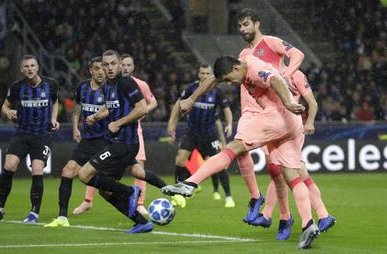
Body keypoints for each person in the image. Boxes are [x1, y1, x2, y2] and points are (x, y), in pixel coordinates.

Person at [162, 55, 320, 249]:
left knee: (233, 148)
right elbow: (213, 78)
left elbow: (276, 80)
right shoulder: (239, 65)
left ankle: (190, 183)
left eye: (229, 79)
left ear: (236, 68)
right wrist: (192, 99)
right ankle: (309, 225)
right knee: (292, 176)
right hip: (293, 124)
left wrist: (287, 102)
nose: (230, 84)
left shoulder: (254, 69)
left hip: (277, 117)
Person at [236, 8, 335, 235]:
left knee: (283, 171)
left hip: (286, 119)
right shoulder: (243, 57)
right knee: (289, 172)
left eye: (246, 24)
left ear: (257, 24)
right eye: (239, 26)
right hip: (267, 116)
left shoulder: (272, 44)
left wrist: (288, 74)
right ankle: (320, 216)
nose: (242, 29)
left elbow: (298, 55)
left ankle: (280, 217)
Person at [76, 49, 164, 233]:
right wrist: (97, 116)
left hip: (124, 143)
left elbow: (142, 109)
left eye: (113, 64)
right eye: (105, 64)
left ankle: (130, 191)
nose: (109, 68)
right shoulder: (109, 86)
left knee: (84, 175)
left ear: (119, 64)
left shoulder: (125, 82)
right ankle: (142, 222)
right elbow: (111, 107)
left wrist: (118, 123)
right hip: (115, 142)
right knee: (106, 190)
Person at [0, 55, 60, 224]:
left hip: (42, 135)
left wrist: (54, 119)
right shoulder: (17, 87)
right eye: (26, 66)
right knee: (9, 166)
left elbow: (55, 102)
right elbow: (4, 106)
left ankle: (34, 213)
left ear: (38, 67)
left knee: (37, 169)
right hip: (22, 134)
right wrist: (8, 112)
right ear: (22, 69)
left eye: (33, 65)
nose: (30, 69)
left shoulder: (50, 84)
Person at [44, 56, 107, 227]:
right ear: (90, 71)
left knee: (107, 188)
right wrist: (75, 128)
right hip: (87, 140)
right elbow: (78, 107)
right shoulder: (82, 87)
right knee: (67, 171)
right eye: (96, 68)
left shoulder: (112, 89)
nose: (100, 71)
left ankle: (133, 199)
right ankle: (62, 217)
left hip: (107, 141)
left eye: (102, 68)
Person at [167, 64, 234, 208]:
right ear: (198, 74)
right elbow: (178, 106)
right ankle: (178, 194)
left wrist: (229, 124)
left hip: (209, 134)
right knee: (180, 160)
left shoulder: (217, 92)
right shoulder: (191, 89)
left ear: (212, 74)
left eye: (207, 73)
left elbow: (226, 110)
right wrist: (171, 125)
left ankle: (228, 196)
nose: (204, 76)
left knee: (220, 165)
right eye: (202, 73)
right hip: (191, 132)